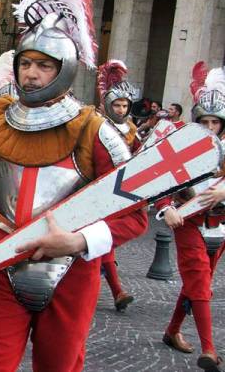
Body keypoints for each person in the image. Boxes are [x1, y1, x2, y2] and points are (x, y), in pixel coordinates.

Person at [0, 0, 148, 371]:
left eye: (45, 65)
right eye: (26, 63)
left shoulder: (96, 131)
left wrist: (77, 242)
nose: (32, 74)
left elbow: (135, 215)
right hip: (1, 260)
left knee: (60, 365)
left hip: (72, 272)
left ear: (65, 68)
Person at [157, 61, 225, 372]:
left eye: (216, 123)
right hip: (188, 222)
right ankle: (209, 350)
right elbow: (157, 180)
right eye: (206, 121)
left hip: (219, 225)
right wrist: (166, 207)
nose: (210, 127)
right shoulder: (181, 145)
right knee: (200, 285)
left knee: (198, 283)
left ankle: (172, 331)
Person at [96, 59, 141, 312]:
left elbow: (137, 157)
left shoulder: (132, 130)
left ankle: (115, 288)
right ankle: (117, 290)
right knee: (105, 242)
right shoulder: (96, 125)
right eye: (117, 104)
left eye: (125, 105)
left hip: (120, 192)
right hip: (97, 191)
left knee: (106, 242)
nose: (122, 109)